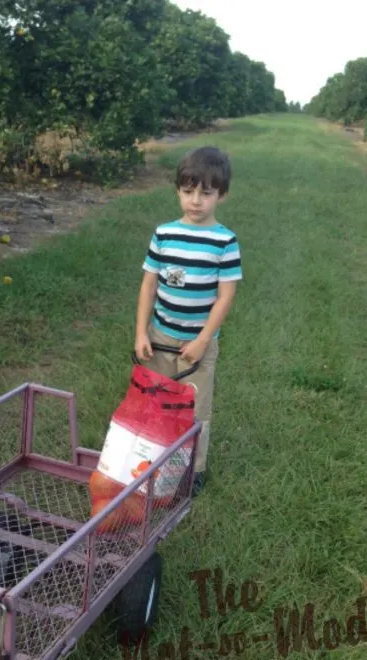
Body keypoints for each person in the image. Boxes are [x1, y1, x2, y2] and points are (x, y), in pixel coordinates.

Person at [134, 146, 242, 496]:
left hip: (198, 344)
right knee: (155, 401)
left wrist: (202, 341)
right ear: (178, 191)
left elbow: (225, 296)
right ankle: (150, 459)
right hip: (160, 336)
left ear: (221, 195)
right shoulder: (164, 234)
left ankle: (193, 470)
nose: (196, 200)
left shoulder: (225, 241)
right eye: (188, 191)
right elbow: (149, 284)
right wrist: (141, 333)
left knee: (196, 410)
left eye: (206, 193)